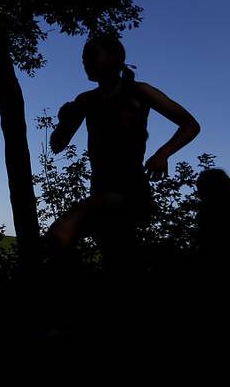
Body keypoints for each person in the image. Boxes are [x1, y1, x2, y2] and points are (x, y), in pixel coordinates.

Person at [46, 35, 200, 277]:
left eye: (91, 56)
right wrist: (63, 122)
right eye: (83, 58)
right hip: (99, 189)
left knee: (63, 231)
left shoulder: (140, 92)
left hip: (130, 190)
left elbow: (190, 125)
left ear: (115, 58)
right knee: (116, 258)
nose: (85, 62)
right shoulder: (86, 100)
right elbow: (57, 145)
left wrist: (163, 153)